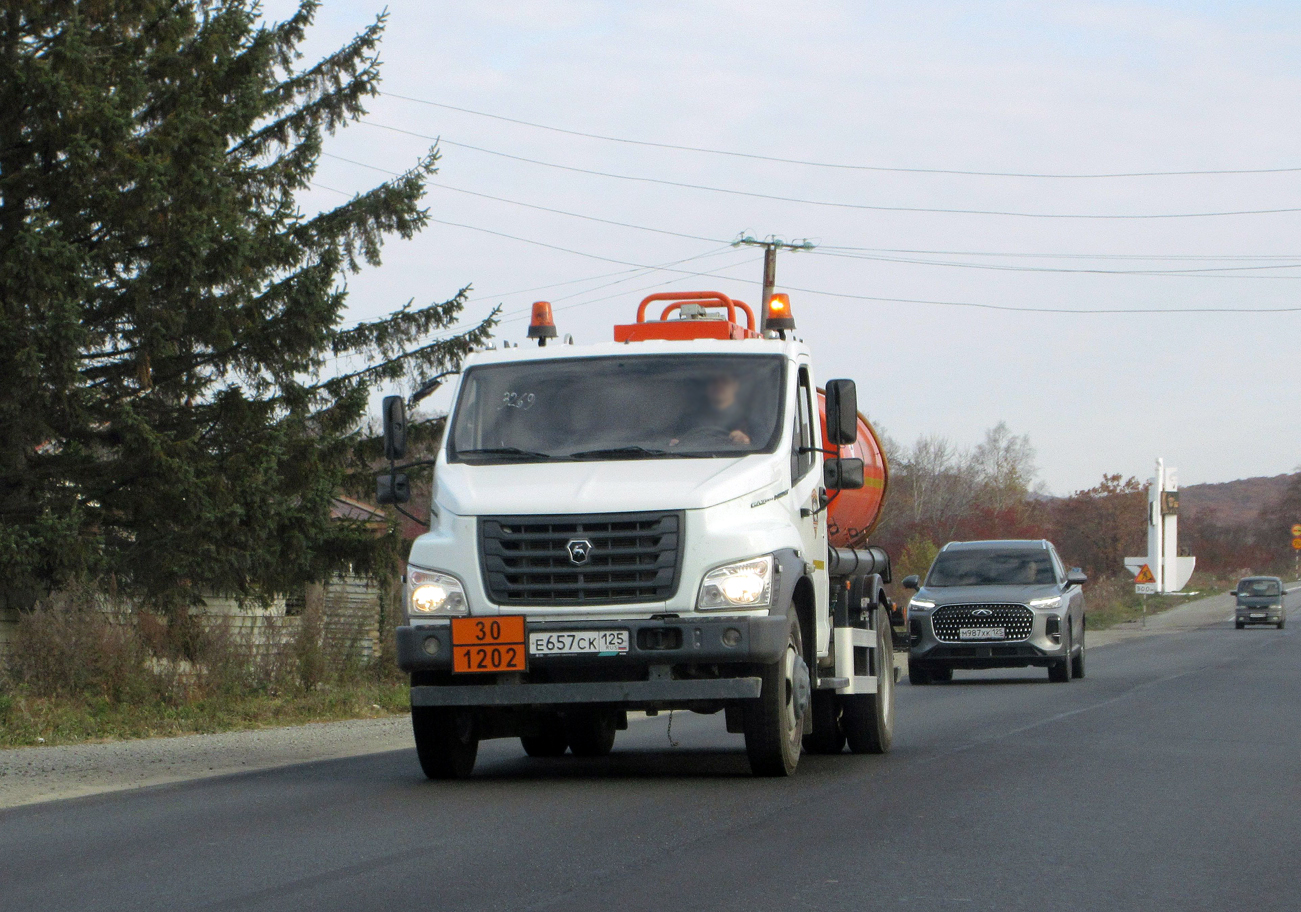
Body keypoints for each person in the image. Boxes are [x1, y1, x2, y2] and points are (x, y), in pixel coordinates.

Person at [671, 371, 752, 446]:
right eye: (714, 382)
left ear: (735, 385)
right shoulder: (688, 420)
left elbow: (759, 456)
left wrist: (745, 442)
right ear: (706, 387)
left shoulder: (750, 420)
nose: (719, 385)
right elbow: (671, 443)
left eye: (725, 381)